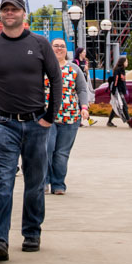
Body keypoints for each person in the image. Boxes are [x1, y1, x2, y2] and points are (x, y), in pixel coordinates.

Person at [0, 0, 59, 261]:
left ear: (24, 13)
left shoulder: (39, 44)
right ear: (0, 16)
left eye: (14, 9)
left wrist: (50, 115)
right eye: (5, 10)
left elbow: (55, 80)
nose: (9, 13)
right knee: (3, 182)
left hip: (37, 123)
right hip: (4, 123)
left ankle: (32, 232)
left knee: (35, 182)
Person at [44, 37, 93, 194]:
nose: (59, 49)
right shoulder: (43, 68)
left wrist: (84, 107)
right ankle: (44, 182)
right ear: (50, 48)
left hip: (70, 117)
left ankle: (58, 184)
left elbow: (82, 90)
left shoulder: (74, 69)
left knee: (62, 153)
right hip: (47, 117)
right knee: (47, 149)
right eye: (56, 46)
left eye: (62, 46)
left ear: (66, 50)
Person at [106, 56, 132, 128]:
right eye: (126, 61)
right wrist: (114, 90)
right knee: (124, 105)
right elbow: (116, 80)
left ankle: (109, 121)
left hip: (121, 90)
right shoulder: (118, 70)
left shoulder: (123, 70)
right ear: (123, 62)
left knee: (117, 106)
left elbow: (123, 81)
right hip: (117, 90)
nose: (127, 63)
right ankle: (129, 121)